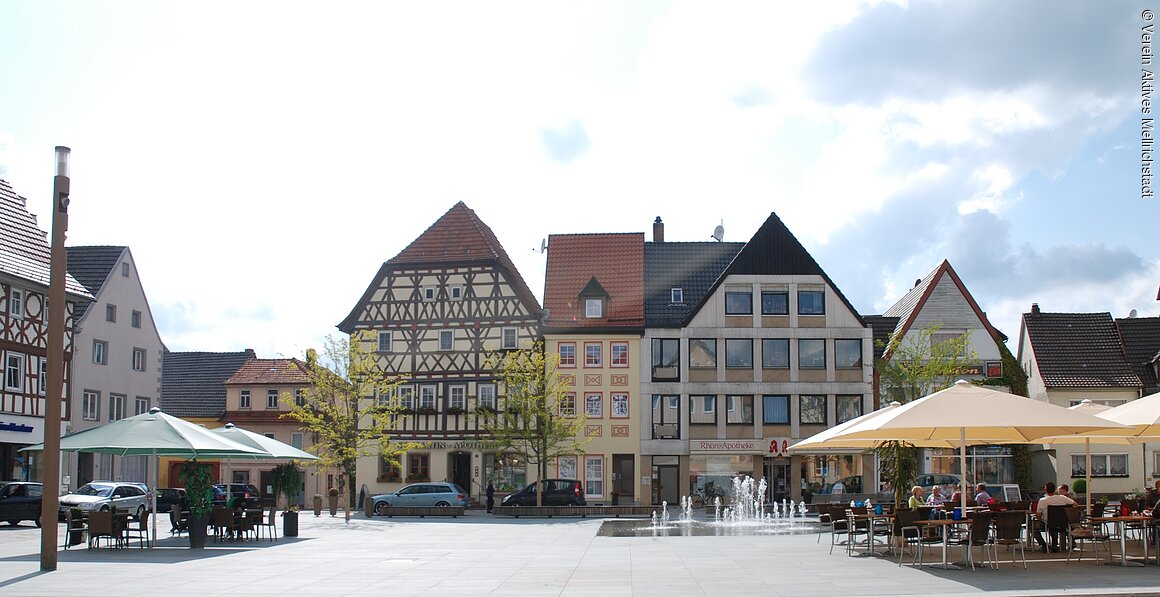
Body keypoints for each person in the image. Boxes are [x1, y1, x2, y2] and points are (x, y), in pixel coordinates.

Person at [1033, 481, 1077, 552]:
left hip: (1048, 524)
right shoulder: (1063, 498)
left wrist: (1039, 516)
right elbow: (1075, 505)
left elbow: (1038, 515)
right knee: (1056, 523)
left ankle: (1043, 545)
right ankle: (1056, 544)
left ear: (1045, 490)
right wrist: (1068, 509)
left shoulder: (1042, 500)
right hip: (1063, 523)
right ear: (1055, 490)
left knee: (1032, 527)